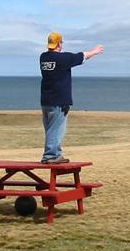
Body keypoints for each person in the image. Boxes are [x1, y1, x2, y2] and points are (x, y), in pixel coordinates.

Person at [40, 32, 104, 163]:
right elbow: (82, 56)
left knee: (50, 129)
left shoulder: (43, 57)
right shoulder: (63, 59)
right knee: (56, 129)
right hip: (59, 101)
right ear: (59, 44)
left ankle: (55, 154)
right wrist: (95, 51)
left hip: (46, 100)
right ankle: (51, 156)